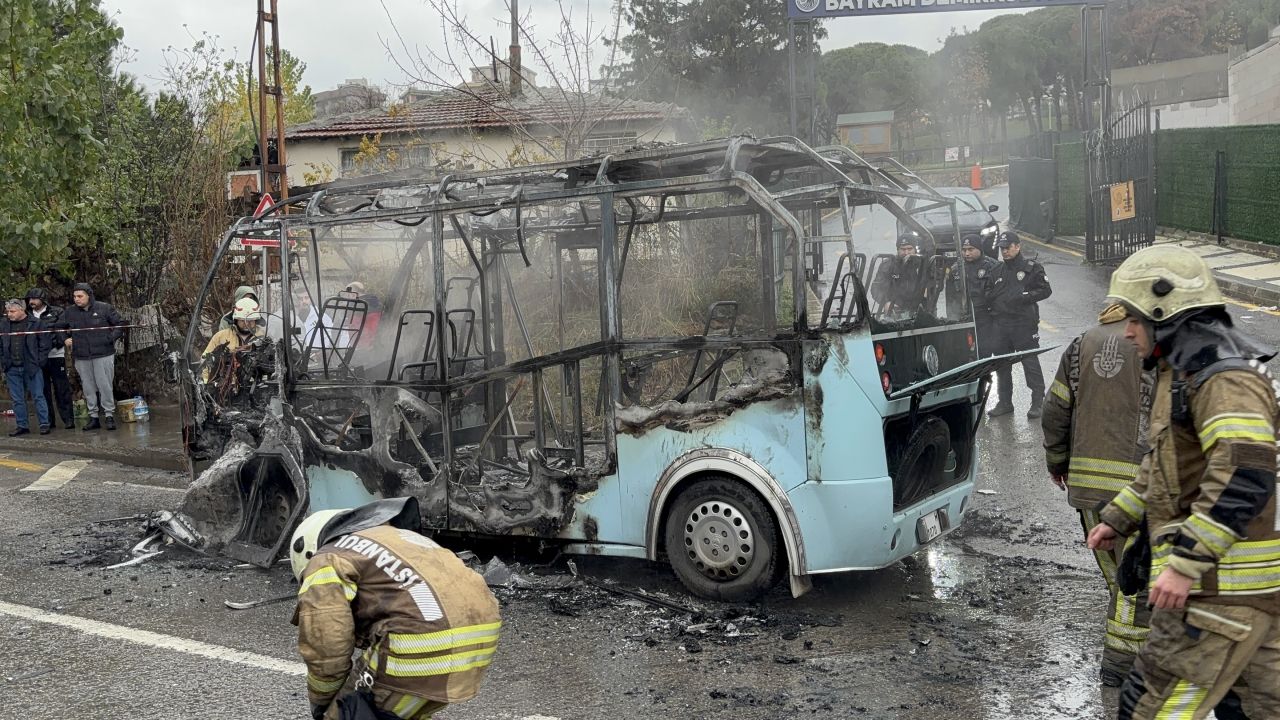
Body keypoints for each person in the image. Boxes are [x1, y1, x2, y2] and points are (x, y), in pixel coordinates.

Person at [1088, 245, 1280, 720]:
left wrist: (1185, 564)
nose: (1127, 331)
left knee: (1149, 709)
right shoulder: (1187, 372)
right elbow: (1168, 467)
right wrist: (1121, 516)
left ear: (1165, 312)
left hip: (1219, 595)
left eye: (1134, 319)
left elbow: (1244, 474)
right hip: (1239, 596)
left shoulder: (1223, 379)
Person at [290, 497, 501, 720]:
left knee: (348, 712)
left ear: (308, 553)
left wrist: (324, 703)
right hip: (479, 639)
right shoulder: (396, 538)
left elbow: (326, 645)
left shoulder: (326, 557)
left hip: (418, 645)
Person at [1042, 304, 1152, 687]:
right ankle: (1121, 670)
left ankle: (1128, 661)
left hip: (1088, 487)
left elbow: (1055, 407)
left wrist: (1057, 460)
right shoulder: (1150, 342)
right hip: (1137, 490)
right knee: (1134, 586)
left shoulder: (1080, 344)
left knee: (1119, 581)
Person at [988, 231, 1051, 419]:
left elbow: (1046, 290)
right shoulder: (997, 270)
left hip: (1023, 323)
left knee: (1030, 361)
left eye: (1008, 248)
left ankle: (1037, 402)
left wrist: (1025, 297)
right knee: (1002, 364)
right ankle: (1005, 402)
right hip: (1002, 324)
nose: (1005, 251)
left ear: (1017, 246)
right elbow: (989, 291)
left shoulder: (1031, 268)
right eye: (1002, 249)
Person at [61, 282, 126, 431]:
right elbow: (60, 328)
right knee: (88, 387)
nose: (76, 299)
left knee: (105, 386)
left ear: (89, 295)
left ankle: (109, 415)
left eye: (80, 296)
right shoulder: (69, 312)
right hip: (82, 355)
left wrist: (110, 338)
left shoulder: (104, 308)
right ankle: (93, 417)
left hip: (103, 353)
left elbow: (120, 324)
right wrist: (65, 339)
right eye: (74, 296)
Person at [1, 299, 53, 436]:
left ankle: (44, 423)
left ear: (22, 310)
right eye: (8, 311)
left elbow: (45, 343)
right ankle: (22, 425)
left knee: (38, 396)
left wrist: (39, 361)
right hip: (11, 367)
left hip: (31, 366)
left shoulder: (36, 323)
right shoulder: (4, 324)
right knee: (17, 399)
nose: (9, 314)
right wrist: (3, 360)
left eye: (12, 311)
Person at [25, 288, 75, 430]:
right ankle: (48, 421)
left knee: (61, 388)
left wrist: (59, 343)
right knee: (43, 389)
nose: (31, 301)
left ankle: (68, 419)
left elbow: (63, 329)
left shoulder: (57, 312)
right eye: (30, 299)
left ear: (42, 299)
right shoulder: (27, 315)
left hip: (55, 354)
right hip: (37, 358)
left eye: (34, 298)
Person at [954, 235, 1000, 357]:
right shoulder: (956, 269)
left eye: (971, 249)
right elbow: (951, 297)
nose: (967, 253)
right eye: (964, 250)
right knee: (963, 354)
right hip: (963, 318)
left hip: (985, 318)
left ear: (979, 249)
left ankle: (985, 376)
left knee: (984, 352)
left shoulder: (993, 266)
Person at [201, 298, 266, 382]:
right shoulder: (221, 337)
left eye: (250, 321)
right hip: (226, 390)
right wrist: (208, 385)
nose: (247, 324)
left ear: (256, 320)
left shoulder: (264, 338)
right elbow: (205, 362)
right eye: (242, 320)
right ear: (235, 320)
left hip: (257, 389)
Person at [875, 236, 924, 318]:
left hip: (918, 306)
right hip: (896, 307)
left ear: (915, 249)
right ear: (897, 250)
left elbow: (934, 285)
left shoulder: (922, 265)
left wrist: (927, 292)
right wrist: (886, 302)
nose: (906, 252)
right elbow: (876, 288)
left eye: (909, 249)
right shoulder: (888, 265)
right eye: (903, 249)